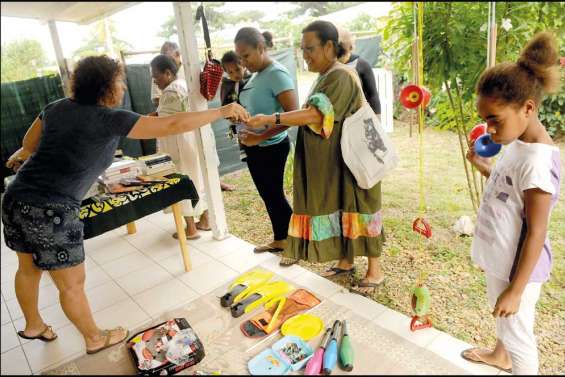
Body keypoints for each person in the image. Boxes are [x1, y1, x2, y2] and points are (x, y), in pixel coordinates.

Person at [2, 55, 248, 355]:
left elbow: (29, 144)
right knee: (72, 284)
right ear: (107, 87)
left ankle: (34, 325)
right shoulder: (110, 118)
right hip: (51, 209)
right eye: (119, 81)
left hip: (16, 197)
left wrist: (42, 154)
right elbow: (172, 123)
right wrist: (222, 111)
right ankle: (94, 337)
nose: (122, 86)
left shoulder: (56, 108)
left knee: (27, 269)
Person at [245, 20, 386, 291]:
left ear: (330, 46)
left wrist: (270, 118)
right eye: (302, 49)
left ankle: (375, 272)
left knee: (360, 209)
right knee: (344, 208)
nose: (304, 55)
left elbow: (316, 114)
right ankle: (346, 261)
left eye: (309, 48)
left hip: (354, 162)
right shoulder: (327, 75)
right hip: (339, 163)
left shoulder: (341, 76)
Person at [460, 32, 561, 375]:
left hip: (517, 270)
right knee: (507, 328)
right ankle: (499, 356)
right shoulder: (518, 143)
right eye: (485, 119)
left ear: (527, 108)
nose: (488, 128)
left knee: (518, 339)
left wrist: (516, 290)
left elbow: (536, 232)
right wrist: (484, 167)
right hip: (502, 262)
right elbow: (509, 190)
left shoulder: (536, 162)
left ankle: (510, 359)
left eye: (494, 119)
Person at [234, 27, 299, 257]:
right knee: (267, 195)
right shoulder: (256, 76)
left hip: (272, 147)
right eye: (239, 57)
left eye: (246, 55)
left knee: (274, 195)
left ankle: (296, 243)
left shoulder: (276, 73)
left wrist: (259, 137)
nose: (243, 62)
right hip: (255, 148)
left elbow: (293, 115)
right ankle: (280, 239)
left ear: (261, 48)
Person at [151, 41, 235, 192]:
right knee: (195, 172)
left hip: (183, 134)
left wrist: (160, 116)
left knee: (189, 175)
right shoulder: (176, 83)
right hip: (188, 131)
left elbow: (170, 118)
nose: (155, 81)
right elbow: (161, 104)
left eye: (169, 58)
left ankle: (201, 209)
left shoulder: (184, 76)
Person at [150, 54, 207, 239]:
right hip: (188, 140)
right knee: (196, 180)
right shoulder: (183, 85)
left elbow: (163, 121)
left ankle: (191, 229)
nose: (155, 80)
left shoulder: (170, 92)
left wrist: (148, 119)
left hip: (178, 145)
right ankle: (205, 219)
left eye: (156, 76)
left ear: (167, 73)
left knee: (181, 183)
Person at [337, 28, 381, 117]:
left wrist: (377, 118)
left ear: (350, 47)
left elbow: (372, 94)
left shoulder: (361, 65)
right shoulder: (329, 66)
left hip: (359, 116)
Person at [220, 50, 252, 162]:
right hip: (238, 119)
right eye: (231, 72)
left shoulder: (252, 78)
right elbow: (224, 104)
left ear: (242, 64)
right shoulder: (227, 85)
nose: (235, 74)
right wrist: (230, 116)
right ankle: (243, 149)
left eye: (237, 69)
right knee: (242, 133)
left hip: (254, 116)